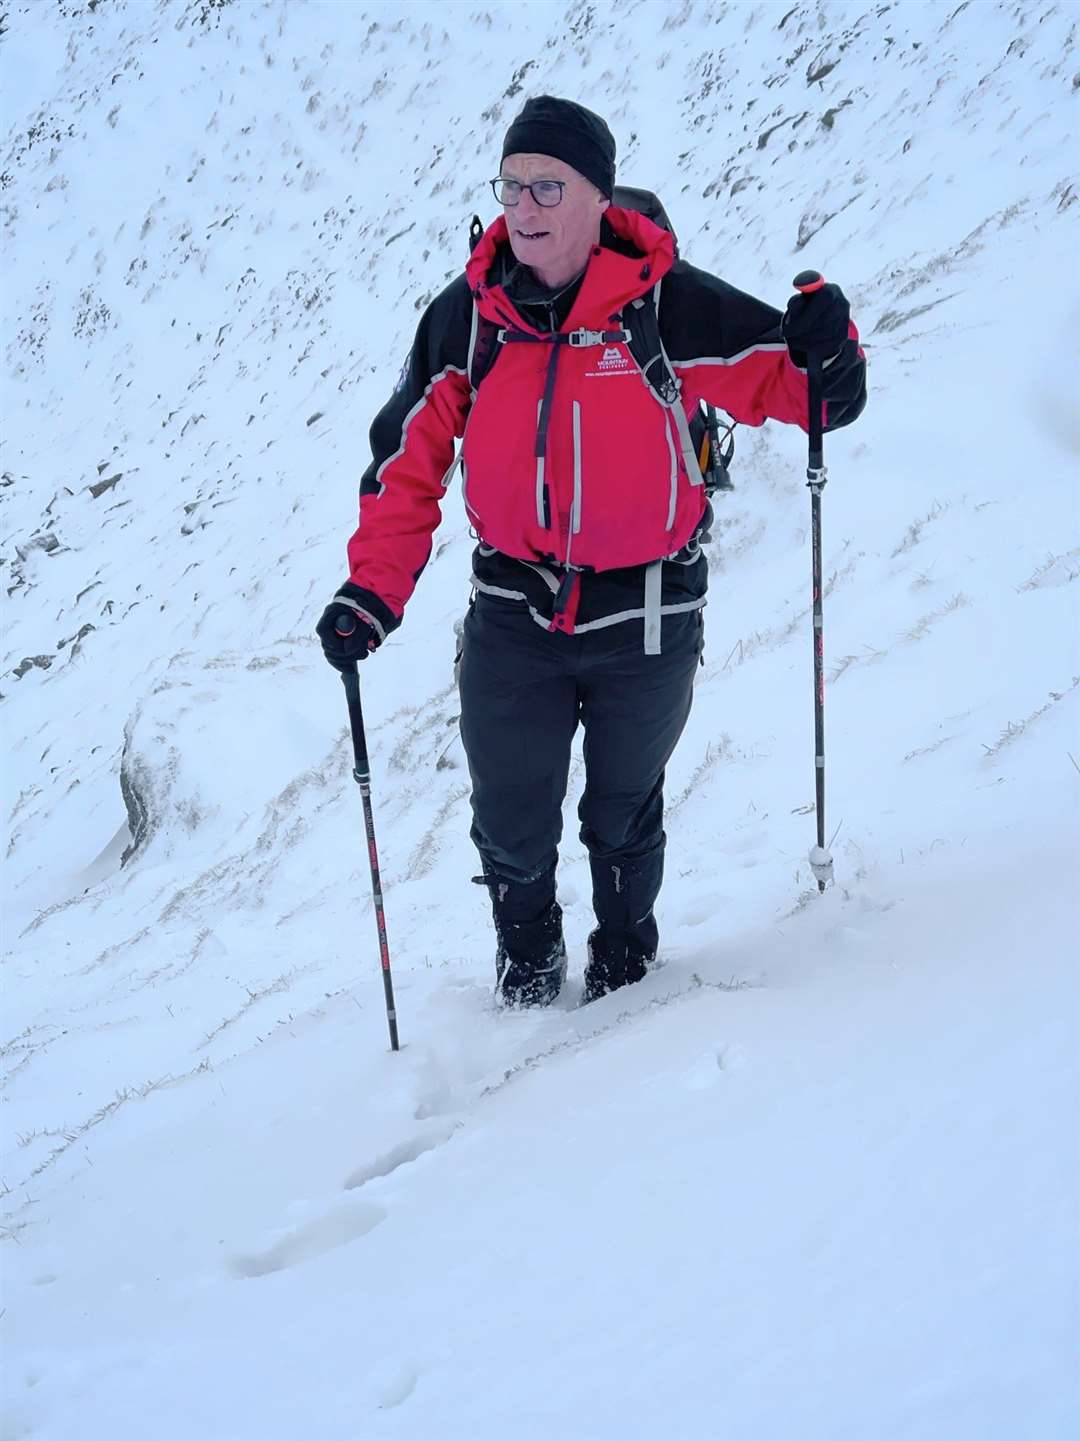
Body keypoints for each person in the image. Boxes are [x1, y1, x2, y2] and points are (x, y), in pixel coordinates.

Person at [317, 96, 866, 1007]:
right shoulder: (468, 318)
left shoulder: (669, 306)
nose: (522, 208)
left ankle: (625, 976)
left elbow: (810, 395)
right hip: (512, 616)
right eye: (511, 186)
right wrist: (371, 593)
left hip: (646, 617)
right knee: (510, 815)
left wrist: (829, 349)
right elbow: (406, 461)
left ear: (596, 200)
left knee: (621, 811)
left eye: (546, 186)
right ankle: (527, 964)